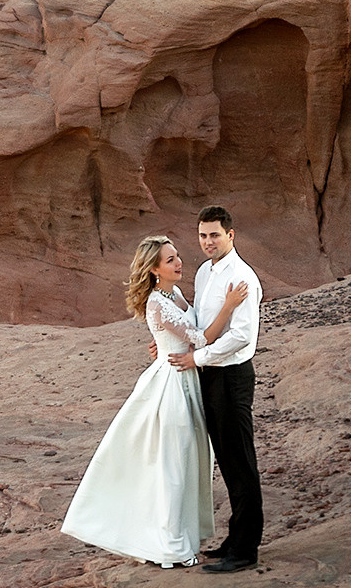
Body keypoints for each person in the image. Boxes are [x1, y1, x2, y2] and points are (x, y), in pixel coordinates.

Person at [60, 234, 250, 569]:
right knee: (173, 465)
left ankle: (185, 536)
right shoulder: (157, 303)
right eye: (171, 260)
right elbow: (201, 337)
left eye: (177, 256)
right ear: (154, 270)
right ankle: (170, 545)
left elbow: (185, 332)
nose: (180, 263)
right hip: (172, 385)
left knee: (189, 460)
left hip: (188, 378)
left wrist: (163, 342)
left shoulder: (173, 293)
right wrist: (229, 306)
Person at [166, 205, 264, 573]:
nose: (207, 242)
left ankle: (245, 549)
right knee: (224, 458)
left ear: (231, 235)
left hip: (231, 376)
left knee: (239, 459)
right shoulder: (206, 272)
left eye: (215, 235)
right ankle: (234, 539)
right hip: (209, 373)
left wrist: (198, 358)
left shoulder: (242, 278)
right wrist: (175, 346)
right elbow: (200, 321)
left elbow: (241, 336)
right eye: (203, 235)